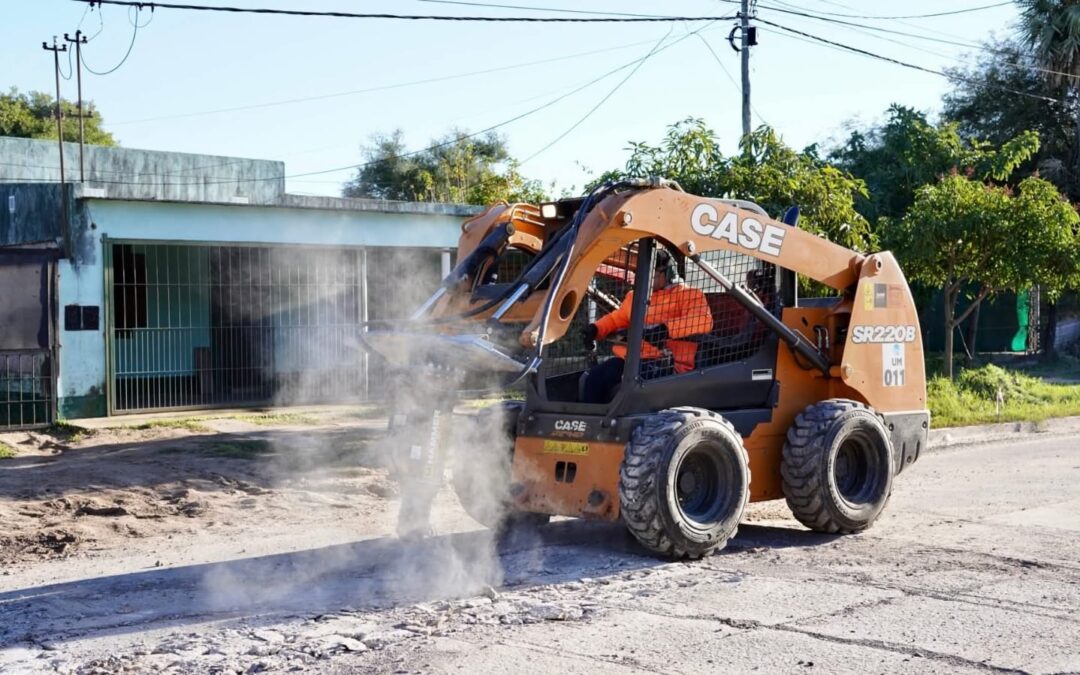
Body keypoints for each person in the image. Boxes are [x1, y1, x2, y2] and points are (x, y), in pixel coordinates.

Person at [580, 248, 713, 403]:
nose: (643, 280)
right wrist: (596, 329)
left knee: (632, 388)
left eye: (651, 275)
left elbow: (703, 321)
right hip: (631, 360)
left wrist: (665, 330)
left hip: (667, 364)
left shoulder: (690, 294)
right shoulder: (635, 296)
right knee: (594, 378)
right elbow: (617, 319)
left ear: (667, 273)